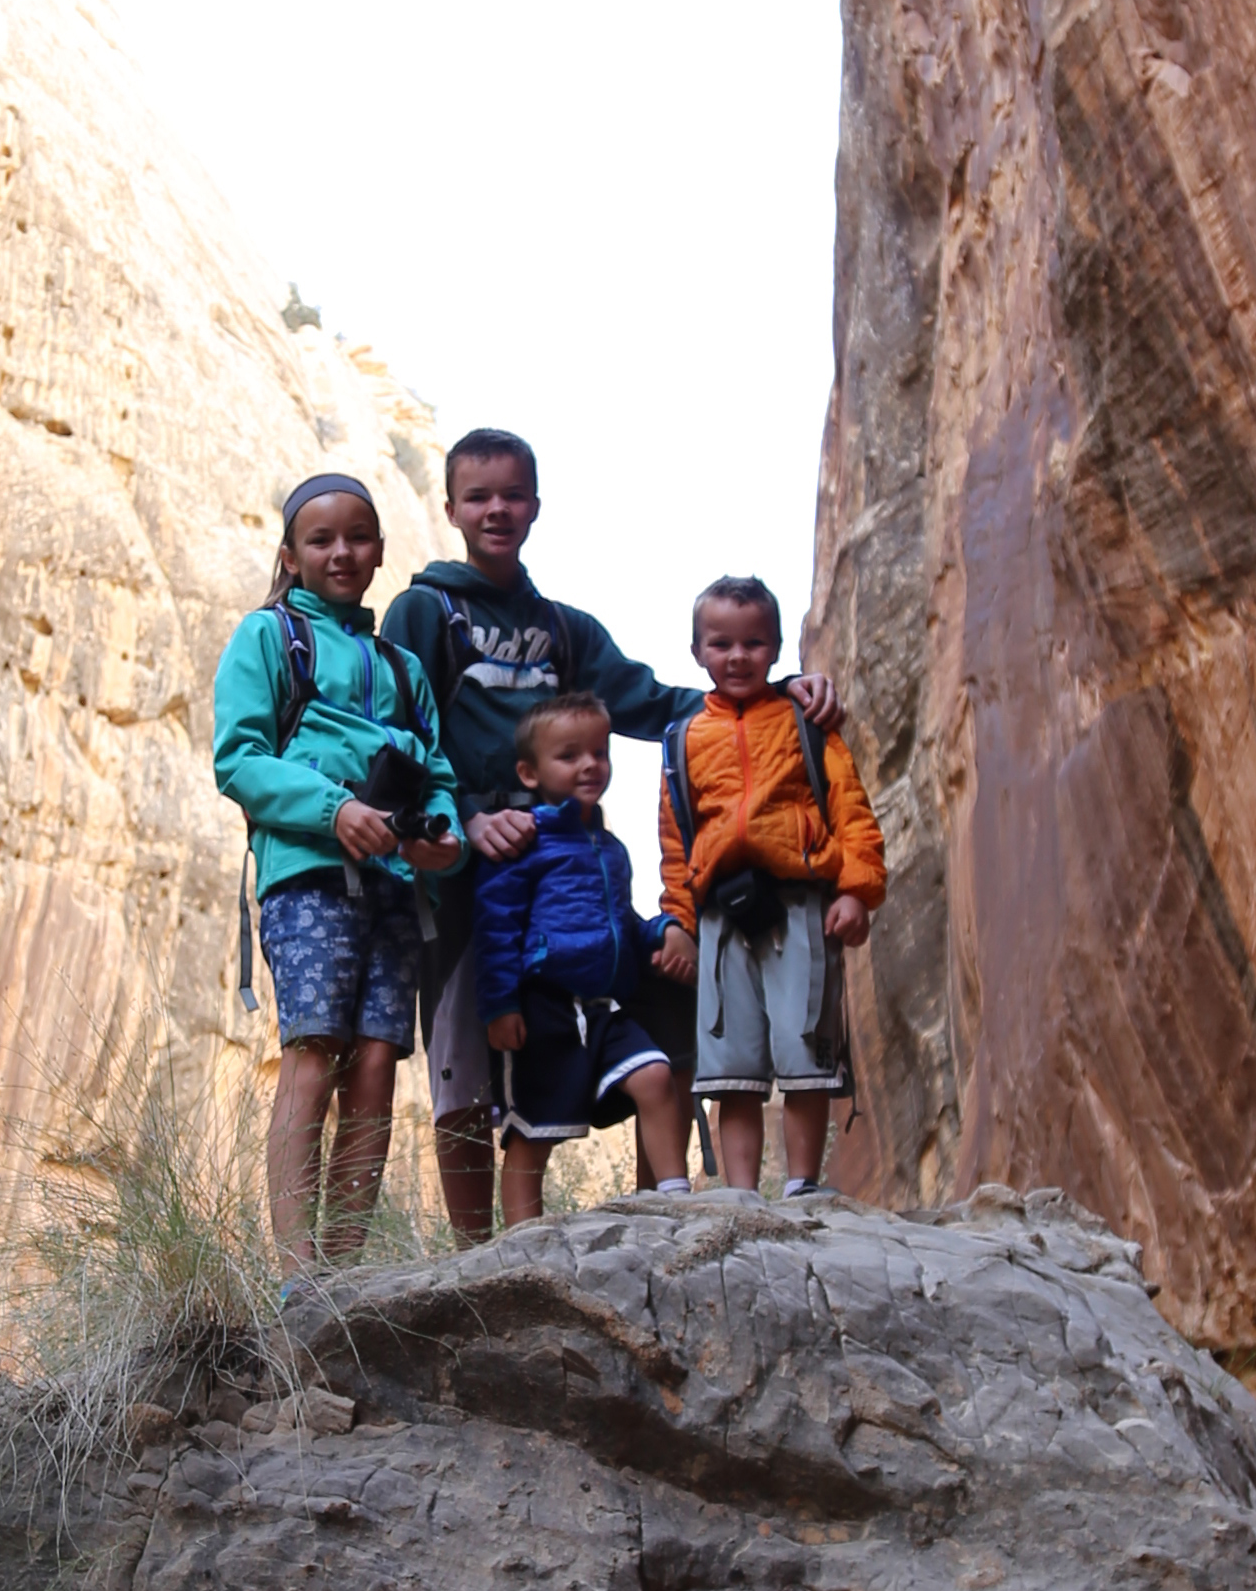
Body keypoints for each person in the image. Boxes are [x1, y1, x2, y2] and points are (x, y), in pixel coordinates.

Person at [384, 431, 832, 1243]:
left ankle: (658, 1206)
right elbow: (403, 734)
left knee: (667, 986)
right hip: (464, 873)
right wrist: (469, 817)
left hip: (567, 871)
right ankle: (475, 1251)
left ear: (536, 507)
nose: (496, 510)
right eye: (479, 496)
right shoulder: (426, 612)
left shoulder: (563, 628)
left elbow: (655, 703)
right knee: (465, 1055)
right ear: (450, 508)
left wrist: (773, 696)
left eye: (512, 495)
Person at [210, 474, 460, 1262]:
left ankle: (345, 1266)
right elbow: (239, 760)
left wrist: (441, 839)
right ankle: (297, 1268)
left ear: (380, 551)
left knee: (378, 1063)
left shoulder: (403, 668)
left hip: (393, 884)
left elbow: (437, 772)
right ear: (291, 555)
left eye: (357, 537)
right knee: (315, 1049)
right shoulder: (269, 638)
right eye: (321, 540)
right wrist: (335, 811)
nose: (341, 552)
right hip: (310, 876)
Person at [656, 573, 886, 1199]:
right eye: (721, 643)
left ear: (778, 646)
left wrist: (855, 892)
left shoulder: (804, 721)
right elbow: (676, 839)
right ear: (697, 650)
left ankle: (803, 1185)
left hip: (800, 903)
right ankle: (739, 1195)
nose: (737, 657)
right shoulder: (683, 740)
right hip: (722, 915)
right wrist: (679, 920)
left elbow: (851, 809)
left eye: (754, 643)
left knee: (806, 1046)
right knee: (732, 1067)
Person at [473, 696, 698, 1223]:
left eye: (599, 751)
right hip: (543, 1005)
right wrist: (499, 1003)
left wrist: (665, 931)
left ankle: (672, 1206)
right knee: (532, 1130)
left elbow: (623, 921)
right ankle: (522, 1245)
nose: (590, 765)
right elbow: (497, 924)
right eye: (569, 755)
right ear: (529, 772)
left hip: (602, 1007)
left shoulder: (610, 847)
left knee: (657, 1077)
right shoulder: (525, 840)